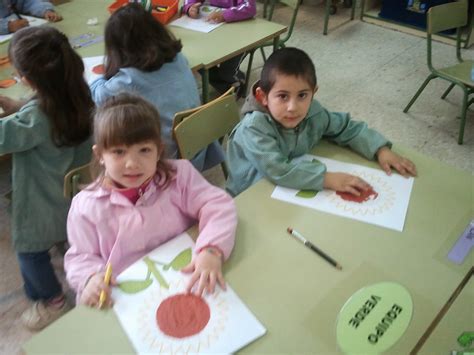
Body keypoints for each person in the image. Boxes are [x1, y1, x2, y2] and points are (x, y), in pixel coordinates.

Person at [64, 94, 237, 308]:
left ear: (158, 151)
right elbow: (80, 256)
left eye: (144, 150)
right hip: (128, 299)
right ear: (99, 154)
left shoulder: (179, 175)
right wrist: (90, 278)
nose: (132, 164)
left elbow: (218, 205)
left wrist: (211, 250)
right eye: (119, 152)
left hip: (186, 280)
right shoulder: (85, 207)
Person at [226, 47, 417, 196]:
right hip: (249, 194)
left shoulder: (314, 112)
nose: (293, 107)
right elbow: (277, 170)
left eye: (302, 95)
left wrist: (380, 150)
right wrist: (327, 179)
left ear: (313, 92)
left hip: (290, 188)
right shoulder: (254, 127)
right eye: (283, 96)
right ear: (263, 97)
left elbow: (345, 127)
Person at [0, 26, 93, 330]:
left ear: (27, 80)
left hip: (41, 203)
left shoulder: (34, 119)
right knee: (63, 234)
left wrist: (21, 112)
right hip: (72, 196)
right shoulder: (78, 94)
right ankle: (73, 253)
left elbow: (8, 135)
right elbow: (40, 116)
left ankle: (52, 299)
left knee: (28, 251)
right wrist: (18, 106)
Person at [90, 3, 223, 171]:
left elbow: (96, 93)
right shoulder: (178, 59)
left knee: (106, 135)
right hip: (196, 152)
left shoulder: (125, 82)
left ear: (117, 49)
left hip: (162, 166)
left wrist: (107, 71)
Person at [182, 0, 256, 96]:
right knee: (199, 61)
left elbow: (250, 7)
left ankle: (234, 84)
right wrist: (190, 7)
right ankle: (229, 88)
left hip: (239, 36)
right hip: (212, 31)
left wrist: (225, 14)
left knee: (227, 72)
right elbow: (190, 2)